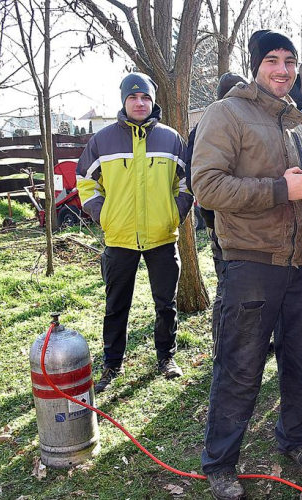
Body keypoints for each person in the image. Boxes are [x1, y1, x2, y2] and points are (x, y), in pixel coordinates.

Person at [190, 30, 302, 500]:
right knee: (240, 366)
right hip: (251, 264)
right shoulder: (226, 113)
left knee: (300, 360)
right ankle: (220, 463)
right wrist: (279, 190)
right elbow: (207, 188)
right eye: (272, 60)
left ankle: (294, 439)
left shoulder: (299, 122)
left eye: (289, 60)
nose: (282, 69)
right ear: (256, 66)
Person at [76, 73, 193, 393]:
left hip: (161, 236)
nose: (139, 103)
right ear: (124, 101)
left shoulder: (172, 139)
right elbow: (85, 181)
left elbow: (186, 184)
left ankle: (166, 358)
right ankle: (112, 364)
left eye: (145, 97)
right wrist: (104, 215)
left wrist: (174, 213)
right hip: (119, 237)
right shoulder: (103, 140)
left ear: (153, 101)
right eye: (133, 97)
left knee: (165, 304)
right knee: (116, 305)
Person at [185, 72, 247, 343]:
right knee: (226, 287)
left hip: (248, 221)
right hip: (218, 223)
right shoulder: (206, 127)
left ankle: (243, 342)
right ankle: (220, 344)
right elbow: (194, 180)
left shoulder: (246, 123)